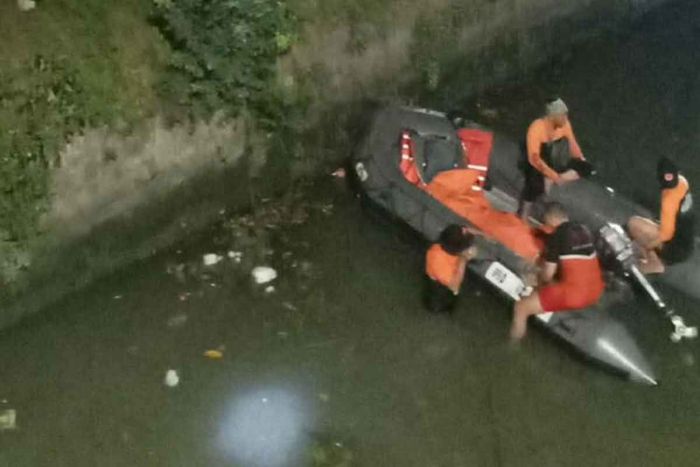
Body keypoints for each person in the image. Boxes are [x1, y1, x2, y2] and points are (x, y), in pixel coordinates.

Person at [510, 202, 605, 340]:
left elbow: (548, 274)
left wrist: (538, 283)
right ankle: (537, 306)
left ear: (551, 218)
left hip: (574, 294)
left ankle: (513, 347)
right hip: (596, 290)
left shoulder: (557, 235)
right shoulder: (584, 229)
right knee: (544, 287)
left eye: (546, 221)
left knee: (521, 308)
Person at [519, 97, 592, 220]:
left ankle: (551, 180)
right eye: (562, 115)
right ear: (553, 116)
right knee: (533, 184)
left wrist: (580, 159)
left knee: (588, 168)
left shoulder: (565, 124)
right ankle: (524, 214)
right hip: (538, 159)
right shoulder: (537, 128)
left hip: (555, 157)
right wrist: (553, 175)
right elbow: (534, 158)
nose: (565, 118)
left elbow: (572, 142)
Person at [627, 157, 695, 274]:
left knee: (634, 224)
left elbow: (665, 234)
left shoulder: (670, 200)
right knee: (649, 229)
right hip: (685, 243)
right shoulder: (682, 182)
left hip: (675, 247)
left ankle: (654, 263)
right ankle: (654, 258)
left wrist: (643, 246)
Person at [424, 225, 478, 313]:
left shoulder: (442, 245)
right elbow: (454, 285)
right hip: (439, 286)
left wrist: (484, 235)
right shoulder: (439, 263)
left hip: (449, 269)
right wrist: (464, 259)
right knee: (437, 302)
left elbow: (465, 229)